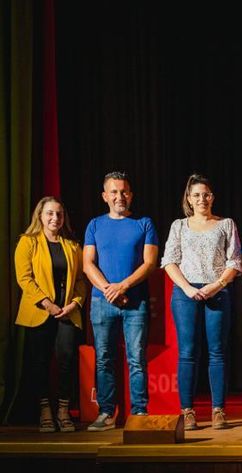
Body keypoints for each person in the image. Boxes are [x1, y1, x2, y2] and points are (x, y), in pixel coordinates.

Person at [161, 174, 242, 430]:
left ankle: (218, 410)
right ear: (188, 198)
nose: (201, 199)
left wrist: (216, 285)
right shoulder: (179, 226)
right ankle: (187, 411)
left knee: (217, 352)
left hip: (217, 291)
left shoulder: (226, 224)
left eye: (206, 194)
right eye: (196, 195)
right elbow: (169, 261)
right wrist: (187, 288)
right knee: (187, 352)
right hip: (185, 294)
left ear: (212, 197)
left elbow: (235, 262)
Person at [83, 172, 158, 431]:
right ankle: (106, 413)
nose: (119, 196)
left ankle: (139, 414)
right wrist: (109, 290)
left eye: (124, 191)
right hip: (101, 302)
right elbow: (87, 264)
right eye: (114, 192)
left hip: (135, 303)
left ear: (131, 195)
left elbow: (150, 263)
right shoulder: (94, 225)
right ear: (105, 196)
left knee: (136, 359)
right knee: (104, 358)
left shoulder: (144, 223)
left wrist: (123, 286)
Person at [14, 197, 86, 432]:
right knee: (40, 362)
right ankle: (45, 411)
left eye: (59, 214)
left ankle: (63, 411)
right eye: (50, 213)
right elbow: (24, 278)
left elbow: (80, 281)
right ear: (40, 216)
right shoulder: (28, 242)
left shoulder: (72, 245)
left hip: (67, 313)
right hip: (39, 312)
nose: (55, 218)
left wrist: (74, 303)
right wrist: (47, 304)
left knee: (67, 360)